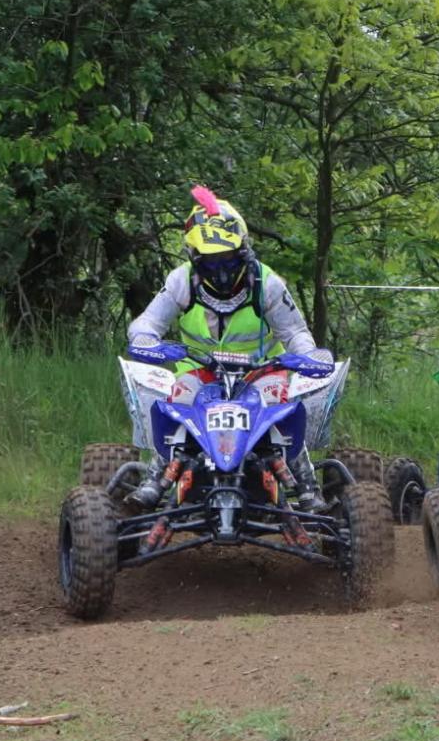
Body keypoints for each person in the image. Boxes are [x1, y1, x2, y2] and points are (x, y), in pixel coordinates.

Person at [126, 187, 334, 511]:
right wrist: (146, 342)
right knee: (177, 402)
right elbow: (146, 323)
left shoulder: (267, 283)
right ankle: (154, 481)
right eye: (211, 260)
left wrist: (307, 357)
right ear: (194, 255)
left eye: (228, 257)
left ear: (243, 248)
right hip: (200, 370)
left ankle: (307, 487)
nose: (221, 268)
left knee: (280, 407)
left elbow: (295, 332)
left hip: (261, 371)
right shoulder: (182, 280)